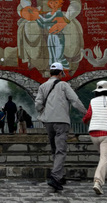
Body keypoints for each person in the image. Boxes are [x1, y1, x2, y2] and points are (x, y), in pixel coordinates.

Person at [35, 60, 85, 194]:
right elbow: (75, 100)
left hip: (48, 122)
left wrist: (45, 111)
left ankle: (61, 176)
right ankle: (55, 177)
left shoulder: (43, 86)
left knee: (55, 149)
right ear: (61, 72)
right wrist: (86, 113)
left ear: (51, 72)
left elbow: (38, 104)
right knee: (61, 150)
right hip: (61, 121)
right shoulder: (63, 85)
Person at [82, 79, 107, 196]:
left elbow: (88, 115)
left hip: (93, 134)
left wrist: (84, 121)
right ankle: (98, 182)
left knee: (105, 157)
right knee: (104, 158)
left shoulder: (92, 101)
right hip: (106, 134)